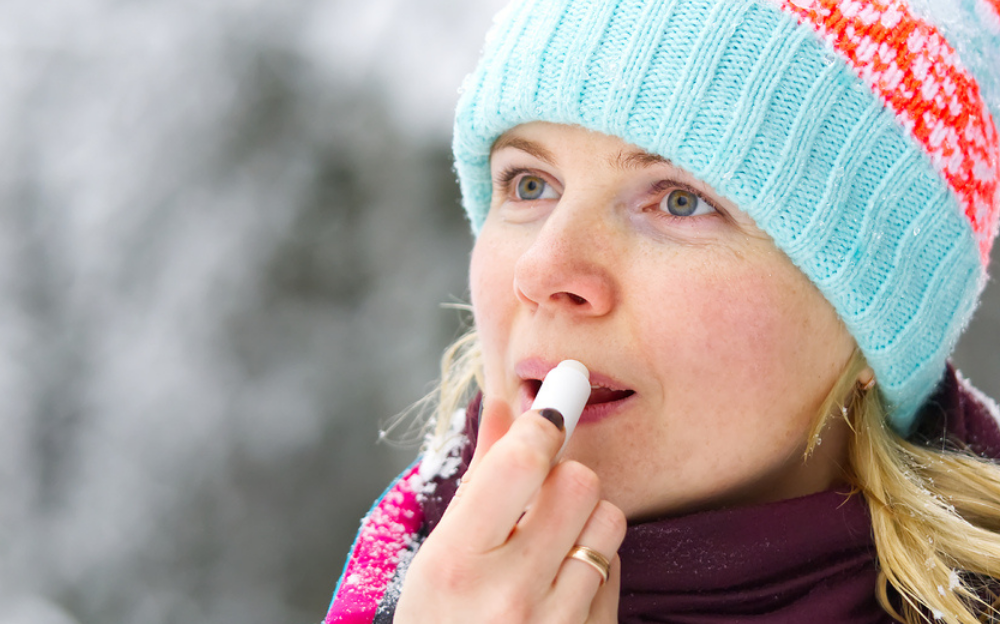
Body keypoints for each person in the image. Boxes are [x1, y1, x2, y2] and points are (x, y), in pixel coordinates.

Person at [326, 0, 1000, 621]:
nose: (543, 272)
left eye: (680, 200)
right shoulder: (401, 577)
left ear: (873, 326)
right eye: (529, 185)